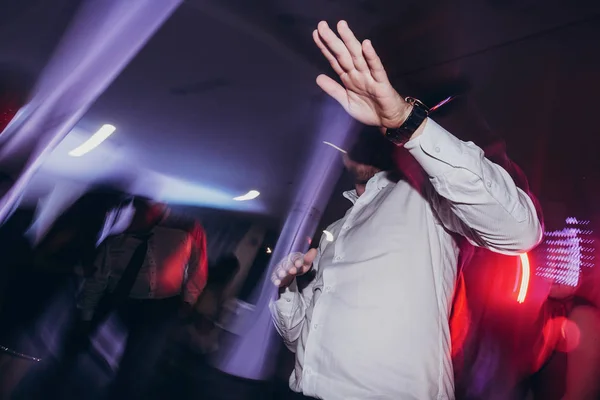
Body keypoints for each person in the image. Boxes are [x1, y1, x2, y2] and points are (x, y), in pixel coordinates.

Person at [269, 20, 543, 400]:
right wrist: (287, 292)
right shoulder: (336, 227)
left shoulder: (423, 197)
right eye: (350, 137)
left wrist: (405, 122)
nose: (358, 142)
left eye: (366, 132)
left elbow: (520, 231)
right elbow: (304, 340)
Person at [51, 197, 208, 399]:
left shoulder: (186, 228)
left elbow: (197, 269)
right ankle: (65, 368)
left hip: (156, 300)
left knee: (137, 359)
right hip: (130, 290)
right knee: (131, 355)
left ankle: (70, 370)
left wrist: (188, 301)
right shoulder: (132, 228)